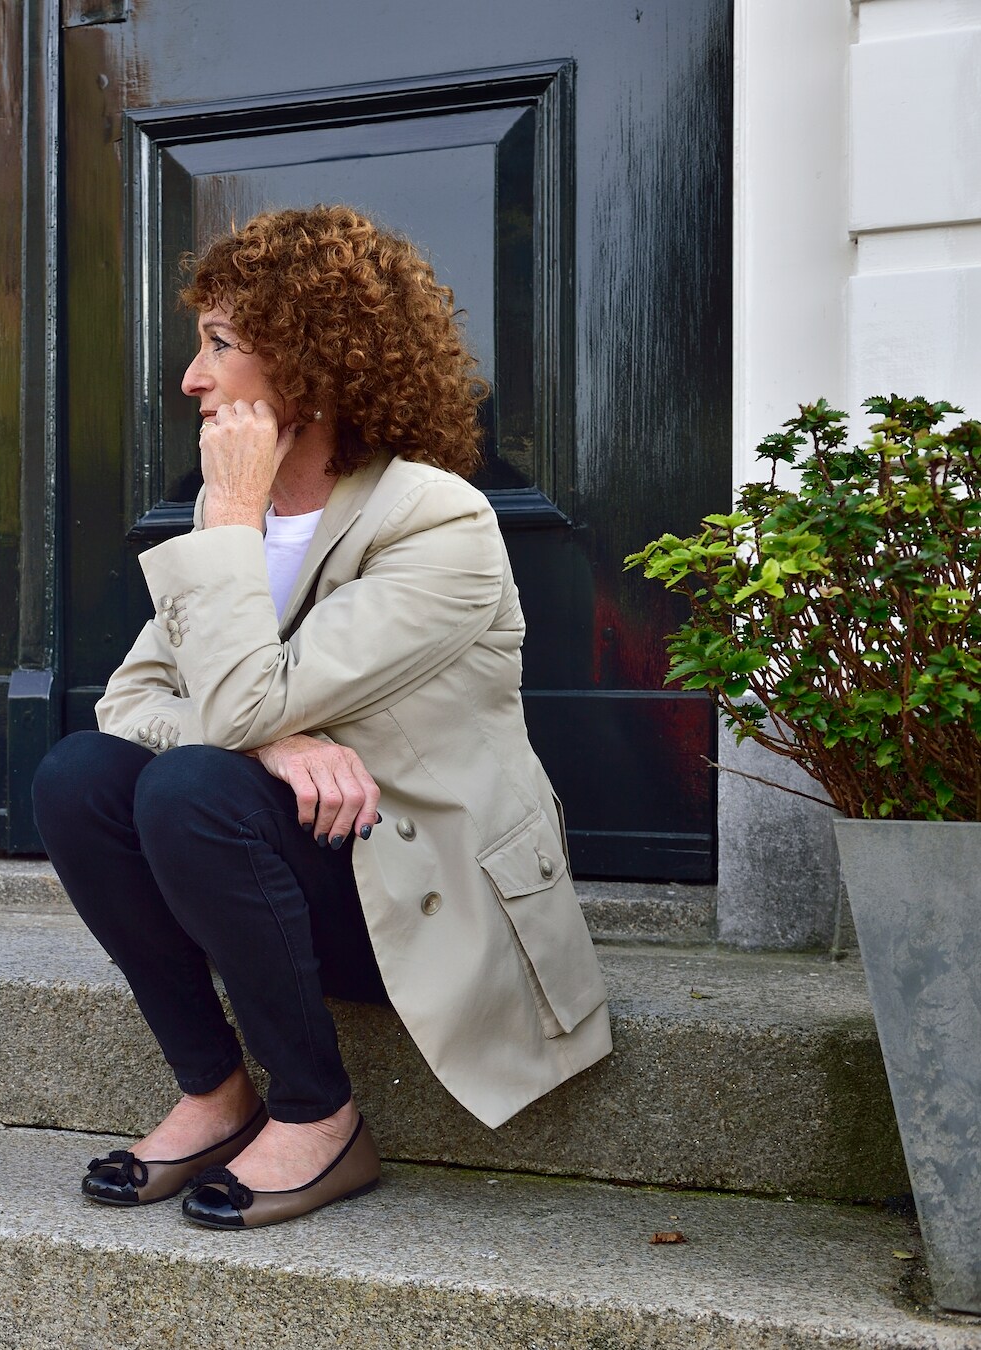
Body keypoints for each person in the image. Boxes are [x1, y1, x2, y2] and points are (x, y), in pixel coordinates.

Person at [31, 205, 612, 1231]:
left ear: (310, 359)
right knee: (77, 778)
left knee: (194, 783)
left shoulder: (438, 523)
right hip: (294, 871)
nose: (191, 381)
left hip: (417, 899)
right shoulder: (227, 521)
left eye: (218, 345)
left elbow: (233, 700)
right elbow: (130, 702)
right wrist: (275, 739)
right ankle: (216, 1095)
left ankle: (320, 1116)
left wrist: (248, 702)